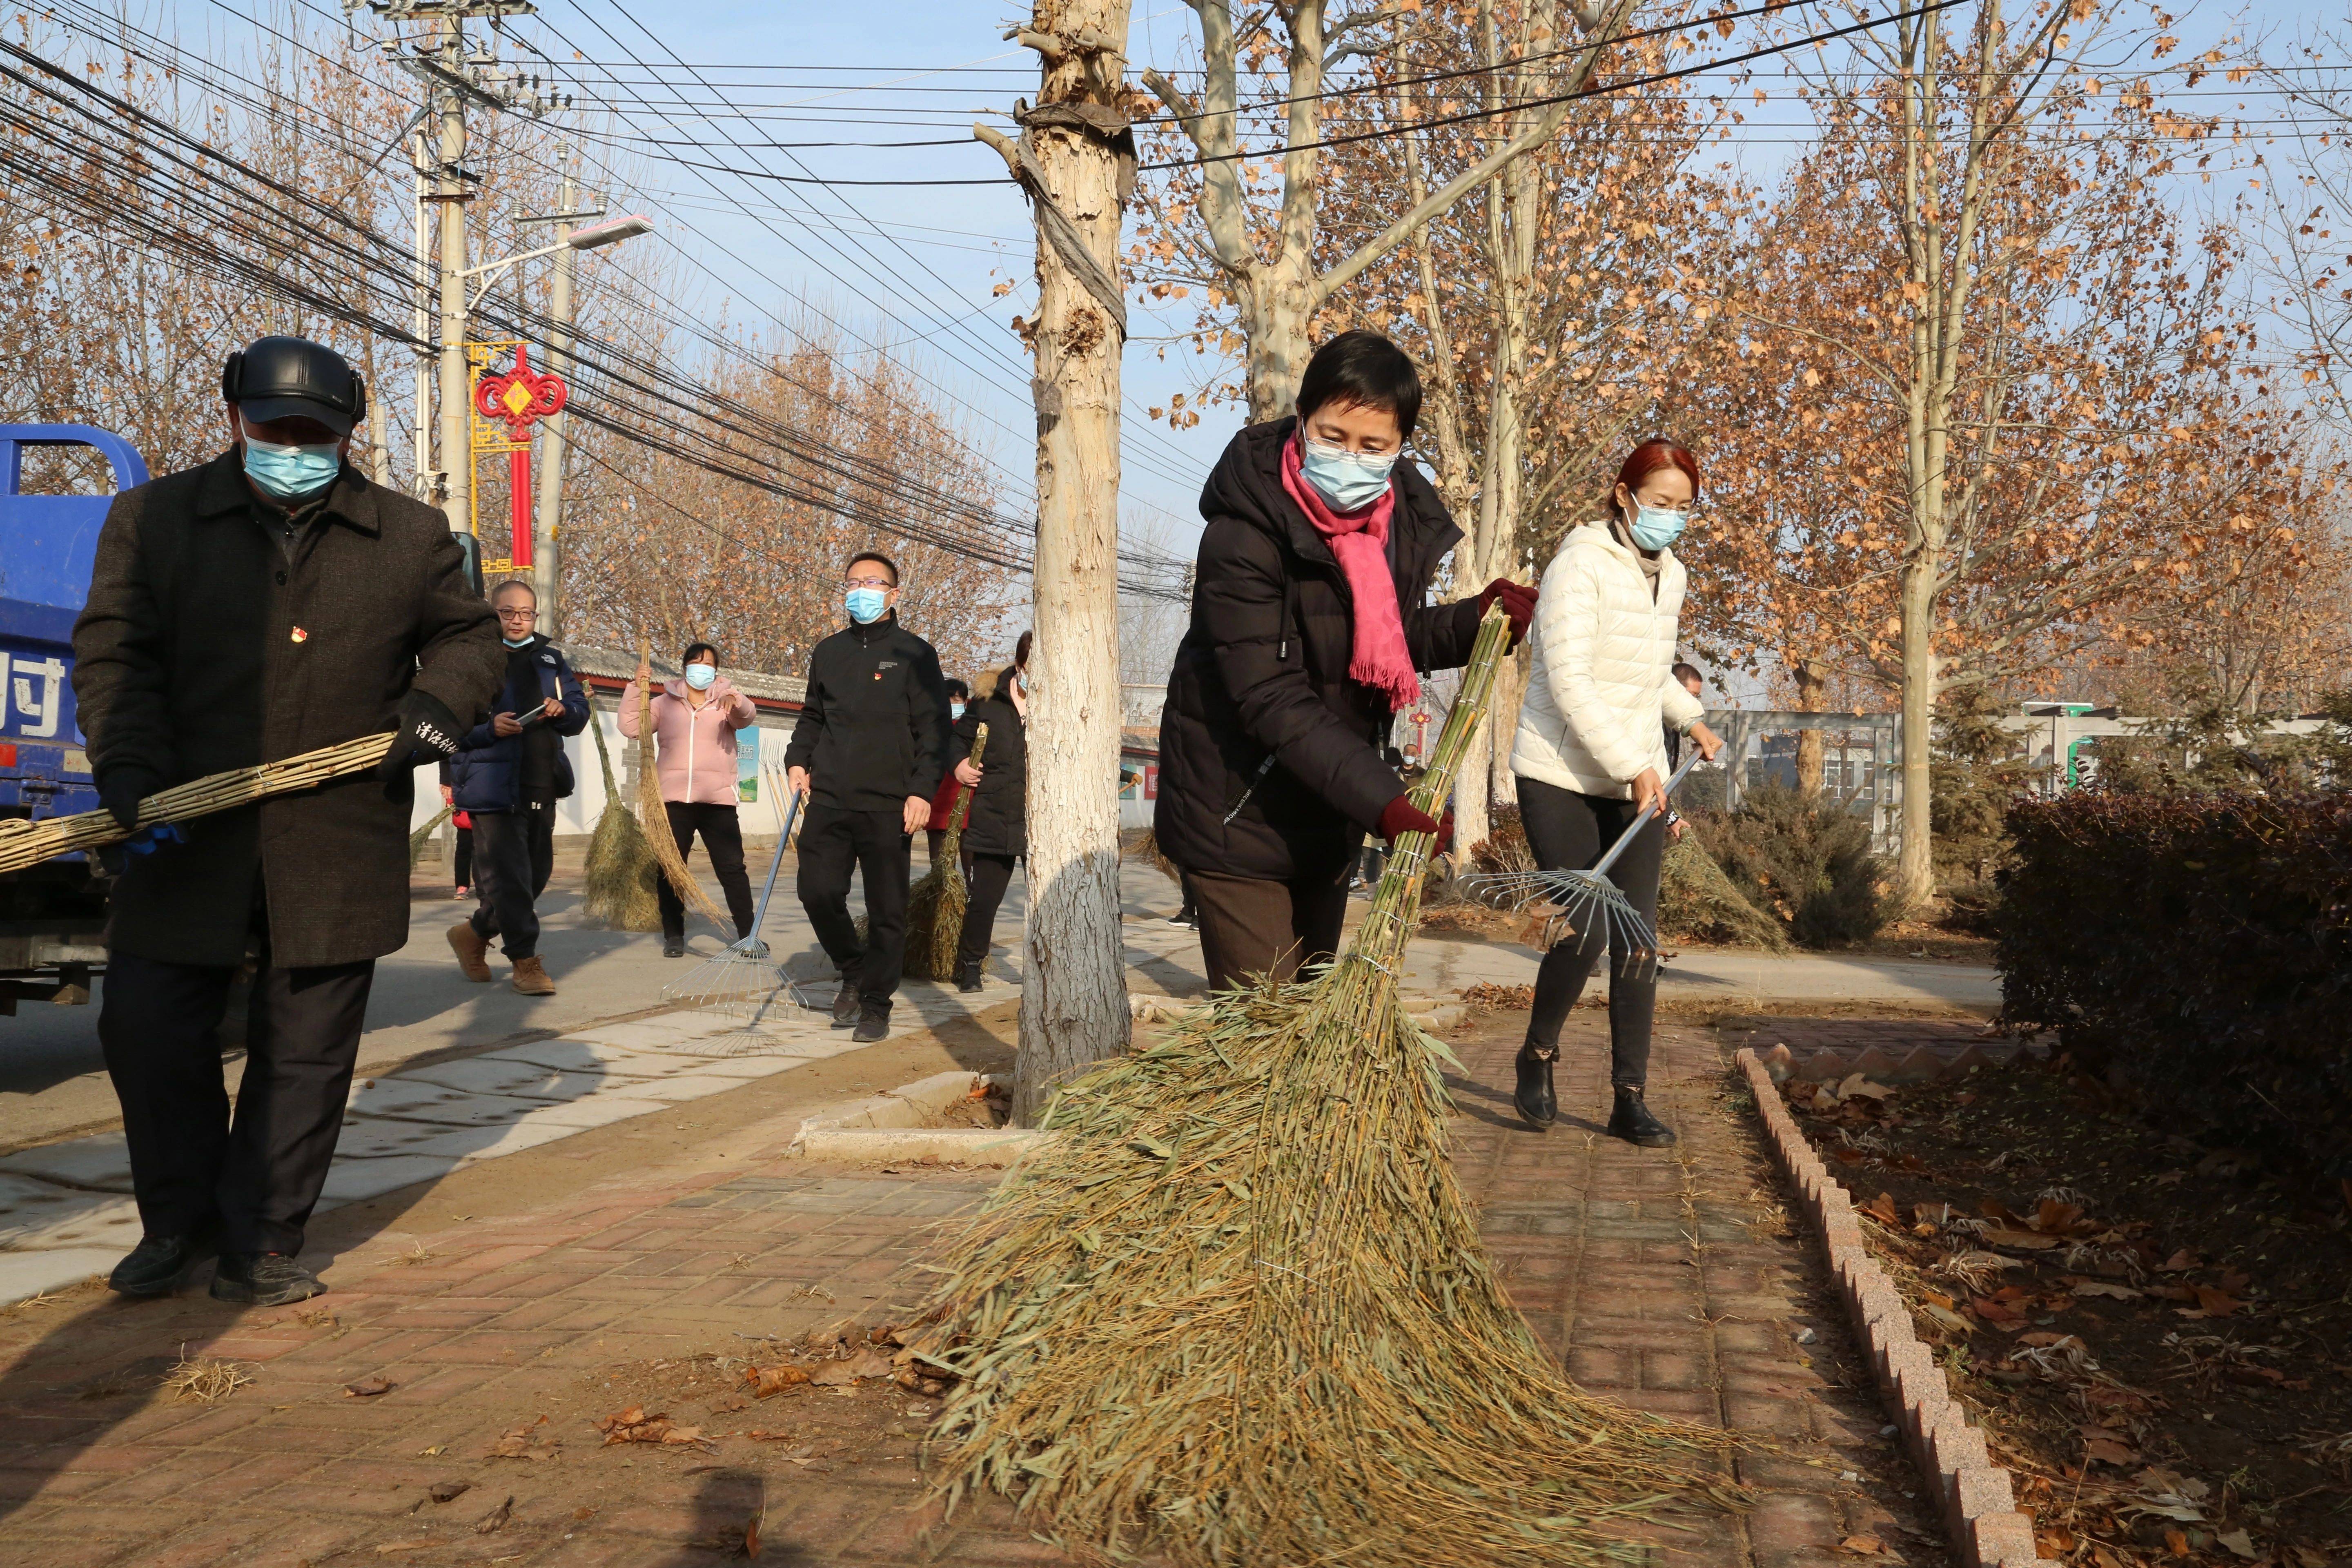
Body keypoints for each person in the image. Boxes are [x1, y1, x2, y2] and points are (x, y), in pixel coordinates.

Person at [72, 333, 503, 1306]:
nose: (294, 446)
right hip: (188, 824)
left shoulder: (409, 533)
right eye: (275, 430)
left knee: (306, 1048)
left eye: (317, 433)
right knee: (146, 1028)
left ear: (348, 433)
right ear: (234, 418)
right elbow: (115, 654)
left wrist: (438, 706)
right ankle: (176, 1221)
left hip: (336, 830)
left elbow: (469, 639)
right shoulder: (155, 520)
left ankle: (262, 1237)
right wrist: (129, 767)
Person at [1154, 330, 1537, 989]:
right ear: (1302, 422)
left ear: (1399, 447)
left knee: (1314, 1024)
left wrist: (1477, 623)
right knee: (1265, 1032)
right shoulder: (1242, 533)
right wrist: (1385, 800)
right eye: (1333, 437)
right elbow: (1269, 692)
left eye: (1373, 447)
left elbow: (1378, 641)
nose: (1350, 459)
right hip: (1236, 811)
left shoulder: (1392, 528)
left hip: (1326, 812)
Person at [1508, 438, 1726, 1147]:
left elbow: (1646, 671)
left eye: (1683, 508)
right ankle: (1537, 1055)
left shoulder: (1674, 575)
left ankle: (1628, 1097)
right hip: (1561, 774)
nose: (1671, 518)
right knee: (1590, 927)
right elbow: (1572, 683)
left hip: (1634, 776)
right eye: (1659, 504)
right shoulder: (1579, 566)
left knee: (1638, 942)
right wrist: (1636, 762)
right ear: (1624, 495)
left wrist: (1690, 720)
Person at [784, 551, 950, 1043]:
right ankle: (853, 969)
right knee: (816, 891)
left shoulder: (916, 654)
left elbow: (934, 730)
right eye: (854, 582)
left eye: (874, 582)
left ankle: (876, 1003)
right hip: (830, 797)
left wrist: (922, 791)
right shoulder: (828, 652)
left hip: (889, 803)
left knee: (887, 910)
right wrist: (798, 761)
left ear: (895, 594)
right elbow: (812, 716)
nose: (862, 590)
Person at [445, 579, 589, 995]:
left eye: (526, 613)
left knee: (535, 877)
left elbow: (579, 713)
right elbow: (448, 726)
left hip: (540, 780)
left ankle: (472, 934)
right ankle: (525, 962)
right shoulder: (472, 658)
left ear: (536, 616)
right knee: (509, 880)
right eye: (508, 612)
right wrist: (489, 729)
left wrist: (564, 710)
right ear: (493, 613)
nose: (518, 620)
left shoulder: (550, 659)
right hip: (492, 785)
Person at [619, 641, 760, 958]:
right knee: (671, 868)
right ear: (684, 667)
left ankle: (748, 935)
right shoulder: (663, 704)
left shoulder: (726, 701)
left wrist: (735, 699)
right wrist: (634, 688)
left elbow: (747, 717)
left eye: (709, 663)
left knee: (733, 868)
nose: (703, 668)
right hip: (673, 800)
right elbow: (630, 728)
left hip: (718, 801)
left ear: (716, 670)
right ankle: (674, 935)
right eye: (696, 662)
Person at [946, 633, 1030, 992]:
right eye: (1030, 666)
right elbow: (957, 740)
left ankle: (1053, 966)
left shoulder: (1064, 700)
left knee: (1052, 900)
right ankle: (969, 964)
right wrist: (960, 766)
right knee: (985, 900)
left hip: (1045, 816)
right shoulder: (988, 700)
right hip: (994, 812)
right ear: (1020, 664)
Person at [923, 677, 973, 866]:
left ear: (966, 702)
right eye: (949, 699)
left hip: (967, 805)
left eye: (957, 700)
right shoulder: (930, 728)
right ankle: (941, 896)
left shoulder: (974, 729)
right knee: (940, 866)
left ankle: (971, 897)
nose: (953, 704)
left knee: (971, 866)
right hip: (938, 805)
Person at [1664, 661, 1706, 844]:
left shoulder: (1673, 726)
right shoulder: (1656, 725)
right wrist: (1669, 816)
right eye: (1692, 696)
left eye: (1698, 697)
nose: (1694, 703)